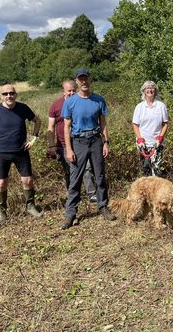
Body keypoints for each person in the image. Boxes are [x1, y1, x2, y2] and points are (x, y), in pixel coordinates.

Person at [60, 68, 116, 229]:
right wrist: (69, 150)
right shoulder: (70, 102)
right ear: (77, 82)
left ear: (90, 80)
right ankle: (70, 214)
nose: (84, 82)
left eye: (86, 79)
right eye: (80, 79)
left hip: (96, 140)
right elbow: (66, 127)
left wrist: (106, 142)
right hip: (79, 142)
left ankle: (103, 207)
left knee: (99, 176)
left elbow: (103, 122)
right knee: (75, 179)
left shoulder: (98, 100)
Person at [0, 84, 43, 223]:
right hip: (1, 152)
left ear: (15, 94)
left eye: (11, 93)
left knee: (27, 180)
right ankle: (2, 213)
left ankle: (30, 207)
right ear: (1, 96)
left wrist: (33, 138)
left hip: (21, 151)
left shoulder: (22, 108)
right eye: (5, 94)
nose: (8, 96)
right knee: (1, 183)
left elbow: (37, 121)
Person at [47, 79, 98, 202]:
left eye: (73, 90)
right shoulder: (56, 105)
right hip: (63, 145)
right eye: (68, 91)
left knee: (87, 168)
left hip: (80, 142)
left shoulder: (80, 102)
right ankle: (74, 196)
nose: (71, 93)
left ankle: (92, 194)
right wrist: (51, 146)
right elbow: (50, 127)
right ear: (63, 91)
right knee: (70, 171)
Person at [132, 80, 169, 176]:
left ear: (155, 90)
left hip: (156, 144)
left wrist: (159, 138)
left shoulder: (161, 106)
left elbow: (165, 124)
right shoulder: (139, 107)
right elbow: (135, 125)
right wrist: (140, 139)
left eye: (152, 88)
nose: (150, 90)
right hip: (143, 144)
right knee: (145, 170)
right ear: (144, 91)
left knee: (156, 170)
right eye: (147, 88)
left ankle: (156, 190)